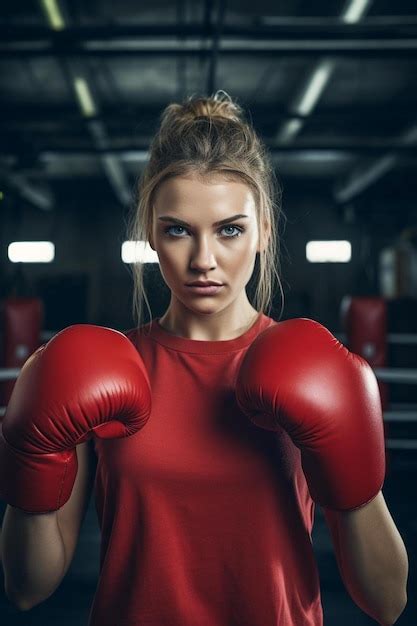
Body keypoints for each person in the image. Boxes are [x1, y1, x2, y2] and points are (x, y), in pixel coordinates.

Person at [0, 91, 408, 626]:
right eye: (178, 230)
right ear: (151, 231)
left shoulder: (317, 370)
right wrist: (30, 455)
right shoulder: (100, 370)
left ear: (263, 230)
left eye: (229, 229)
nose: (203, 261)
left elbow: (387, 601)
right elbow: (28, 588)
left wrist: (357, 483)